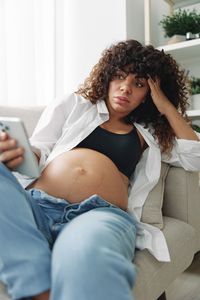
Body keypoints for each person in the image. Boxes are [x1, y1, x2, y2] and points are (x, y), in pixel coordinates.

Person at [0, 39, 200, 300]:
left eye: (138, 84)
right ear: (107, 77)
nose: (125, 88)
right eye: (119, 77)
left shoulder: (148, 134)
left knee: (85, 250)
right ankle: (39, 288)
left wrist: (166, 107)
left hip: (96, 215)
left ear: (147, 95)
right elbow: (40, 148)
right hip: (37, 206)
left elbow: (195, 157)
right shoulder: (73, 105)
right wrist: (17, 152)